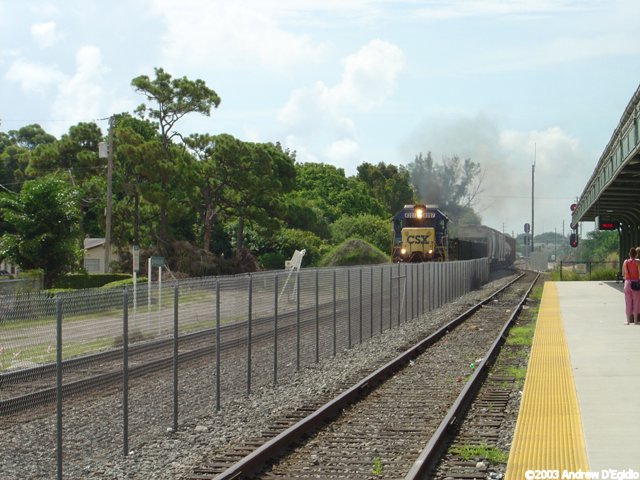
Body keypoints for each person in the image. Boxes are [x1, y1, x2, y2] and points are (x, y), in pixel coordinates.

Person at [623, 247, 640, 324]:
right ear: (636, 255)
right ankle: (636, 320)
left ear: (629, 254)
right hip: (635, 284)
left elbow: (623, 274)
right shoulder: (638, 262)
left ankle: (628, 321)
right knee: (636, 302)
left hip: (627, 283)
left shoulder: (625, 262)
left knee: (628, 302)